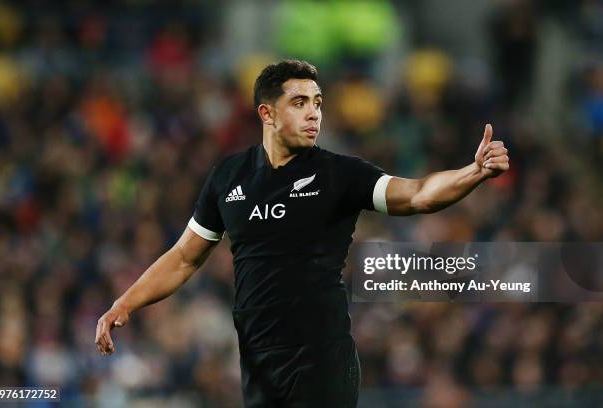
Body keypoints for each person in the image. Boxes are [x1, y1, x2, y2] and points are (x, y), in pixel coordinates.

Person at [95, 59, 509, 407]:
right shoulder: (228, 177)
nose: (314, 113)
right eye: (299, 102)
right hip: (259, 360)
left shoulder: (340, 174)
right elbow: (185, 257)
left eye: (317, 103)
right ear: (267, 113)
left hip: (321, 356)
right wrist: (125, 303)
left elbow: (418, 195)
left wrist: (473, 172)